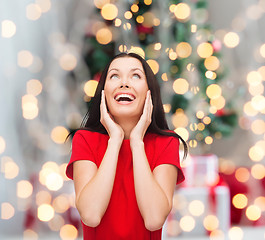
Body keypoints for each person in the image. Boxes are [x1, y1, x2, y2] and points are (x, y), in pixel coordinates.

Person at [66, 52, 187, 240]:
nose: (124, 83)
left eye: (136, 76)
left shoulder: (166, 143)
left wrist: (137, 142)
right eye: (114, 76)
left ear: (149, 92)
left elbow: (154, 219)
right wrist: (115, 140)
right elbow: (90, 215)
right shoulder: (85, 139)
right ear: (103, 92)